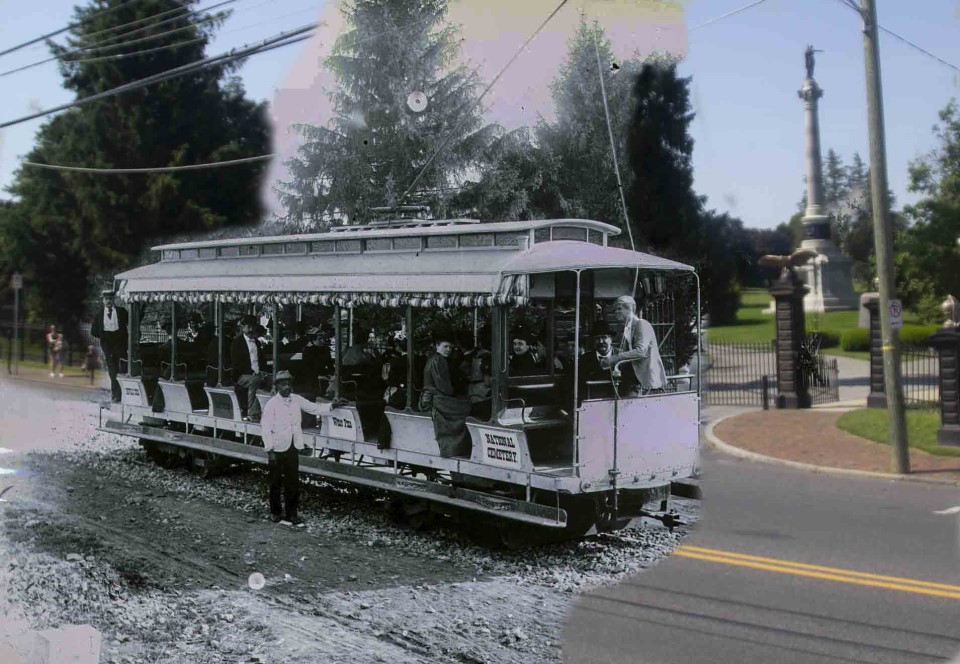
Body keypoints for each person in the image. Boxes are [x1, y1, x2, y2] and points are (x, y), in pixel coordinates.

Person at [260, 370, 323, 525]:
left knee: (293, 483)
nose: (287, 386)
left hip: (292, 447)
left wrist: (332, 405)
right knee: (275, 483)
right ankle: (275, 512)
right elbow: (265, 428)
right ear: (277, 386)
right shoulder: (272, 404)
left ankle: (292, 514)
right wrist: (270, 450)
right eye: (283, 384)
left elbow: (313, 408)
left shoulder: (296, 400)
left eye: (289, 383)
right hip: (277, 448)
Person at [601, 295, 667, 396]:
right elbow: (627, 354)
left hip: (645, 380)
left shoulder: (642, 324)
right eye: (614, 310)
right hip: (633, 379)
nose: (616, 312)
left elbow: (640, 351)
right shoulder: (627, 329)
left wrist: (614, 358)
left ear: (630, 308)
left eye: (619, 308)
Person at [421, 332, 472, 455]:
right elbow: (444, 387)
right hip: (437, 399)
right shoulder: (438, 360)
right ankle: (457, 447)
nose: (448, 350)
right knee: (466, 407)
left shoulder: (435, 359)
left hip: (434, 396)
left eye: (450, 347)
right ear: (437, 346)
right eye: (445, 346)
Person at [90, 290, 129, 402]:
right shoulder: (99, 315)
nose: (108, 301)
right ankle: (116, 395)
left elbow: (131, 321)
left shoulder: (122, 312)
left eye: (110, 299)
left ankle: (125, 395)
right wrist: (105, 336)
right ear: (103, 300)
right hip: (108, 346)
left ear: (114, 300)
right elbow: (94, 331)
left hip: (120, 344)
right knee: (113, 372)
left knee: (123, 369)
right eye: (106, 299)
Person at [230, 316, 270, 421]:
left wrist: (263, 372)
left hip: (257, 373)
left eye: (252, 327)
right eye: (248, 327)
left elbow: (261, 360)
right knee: (254, 381)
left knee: (272, 380)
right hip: (242, 375)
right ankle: (252, 413)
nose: (251, 329)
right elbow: (237, 362)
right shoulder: (237, 342)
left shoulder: (256, 342)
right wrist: (252, 373)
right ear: (244, 328)